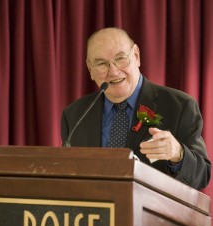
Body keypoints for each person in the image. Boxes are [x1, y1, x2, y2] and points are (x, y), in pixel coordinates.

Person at [61, 27, 211, 190]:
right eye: (102, 63)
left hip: (154, 213)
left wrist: (178, 154)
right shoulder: (74, 116)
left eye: (121, 58)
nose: (113, 71)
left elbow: (202, 175)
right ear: (90, 70)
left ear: (136, 56)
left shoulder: (179, 106)